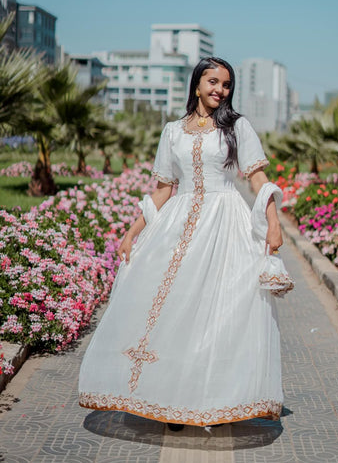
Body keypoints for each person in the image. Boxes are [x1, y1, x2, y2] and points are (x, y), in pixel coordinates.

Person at [79, 57, 284, 430]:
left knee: (220, 311)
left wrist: (273, 223)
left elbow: (257, 177)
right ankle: (173, 399)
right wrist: (132, 231)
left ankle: (216, 399)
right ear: (197, 84)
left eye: (226, 85)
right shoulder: (172, 131)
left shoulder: (237, 128)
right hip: (179, 221)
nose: (219, 90)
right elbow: (163, 188)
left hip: (225, 224)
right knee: (176, 307)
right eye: (213, 81)